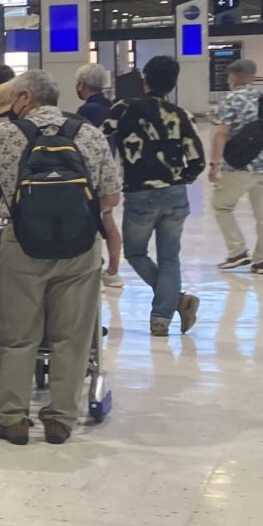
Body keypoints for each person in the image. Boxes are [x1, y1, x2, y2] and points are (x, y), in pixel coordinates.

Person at [0, 71, 122, 445]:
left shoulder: (5, 135)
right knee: (72, 337)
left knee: (18, 336)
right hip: (79, 246)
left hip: (22, 244)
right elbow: (110, 197)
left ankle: (13, 419)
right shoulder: (89, 134)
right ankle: (61, 419)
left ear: (25, 97)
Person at [102, 55, 206, 337]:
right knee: (170, 257)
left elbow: (100, 133)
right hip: (175, 193)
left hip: (139, 193)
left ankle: (177, 301)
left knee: (136, 253)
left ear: (144, 80)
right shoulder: (181, 115)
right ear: (173, 83)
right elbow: (197, 160)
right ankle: (161, 318)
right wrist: (181, 179)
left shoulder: (124, 108)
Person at [210, 58, 263, 274]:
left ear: (234, 76)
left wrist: (214, 165)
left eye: (230, 75)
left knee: (222, 206)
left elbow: (221, 134)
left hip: (238, 167)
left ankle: (237, 251)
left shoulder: (230, 100)